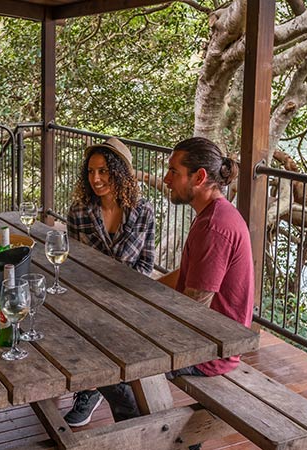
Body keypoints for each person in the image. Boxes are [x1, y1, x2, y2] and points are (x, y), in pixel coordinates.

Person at [93, 137, 255, 450]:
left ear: (200, 177)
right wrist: (139, 291)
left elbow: (196, 306)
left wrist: (139, 320)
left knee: (103, 356)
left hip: (209, 349)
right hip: (202, 334)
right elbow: (186, 276)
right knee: (108, 334)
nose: (166, 179)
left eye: (173, 171)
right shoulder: (212, 214)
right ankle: (160, 434)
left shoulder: (215, 226)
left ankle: (155, 438)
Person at [63, 137, 155, 427]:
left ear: (120, 173)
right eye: (90, 171)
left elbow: (146, 265)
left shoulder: (143, 211)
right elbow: (75, 267)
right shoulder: (79, 211)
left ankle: (96, 388)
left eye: (103, 171)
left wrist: (122, 297)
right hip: (89, 299)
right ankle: (97, 391)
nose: (96, 178)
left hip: (130, 299)